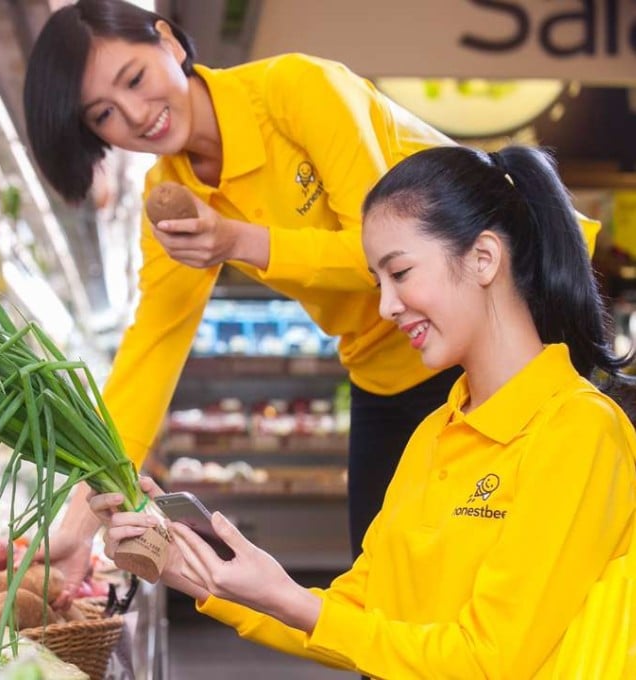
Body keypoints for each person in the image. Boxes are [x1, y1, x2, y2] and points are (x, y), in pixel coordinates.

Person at [22, 0, 598, 599]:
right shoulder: (168, 196)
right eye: (105, 115)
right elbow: (150, 355)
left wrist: (241, 240)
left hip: (501, 342)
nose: (136, 115)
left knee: (520, 585)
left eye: (135, 79)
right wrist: (78, 523)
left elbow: (384, 254)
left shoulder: (295, 90)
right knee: (382, 590)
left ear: (168, 41)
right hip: (385, 371)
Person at [91, 144, 636, 677]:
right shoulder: (434, 433)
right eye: (379, 281)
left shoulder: (578, 430)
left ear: (484, 258)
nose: (386, 307)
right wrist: (181, 562)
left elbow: (489, 659)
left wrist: (295, 602)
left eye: (400, 273)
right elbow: (359, 616)